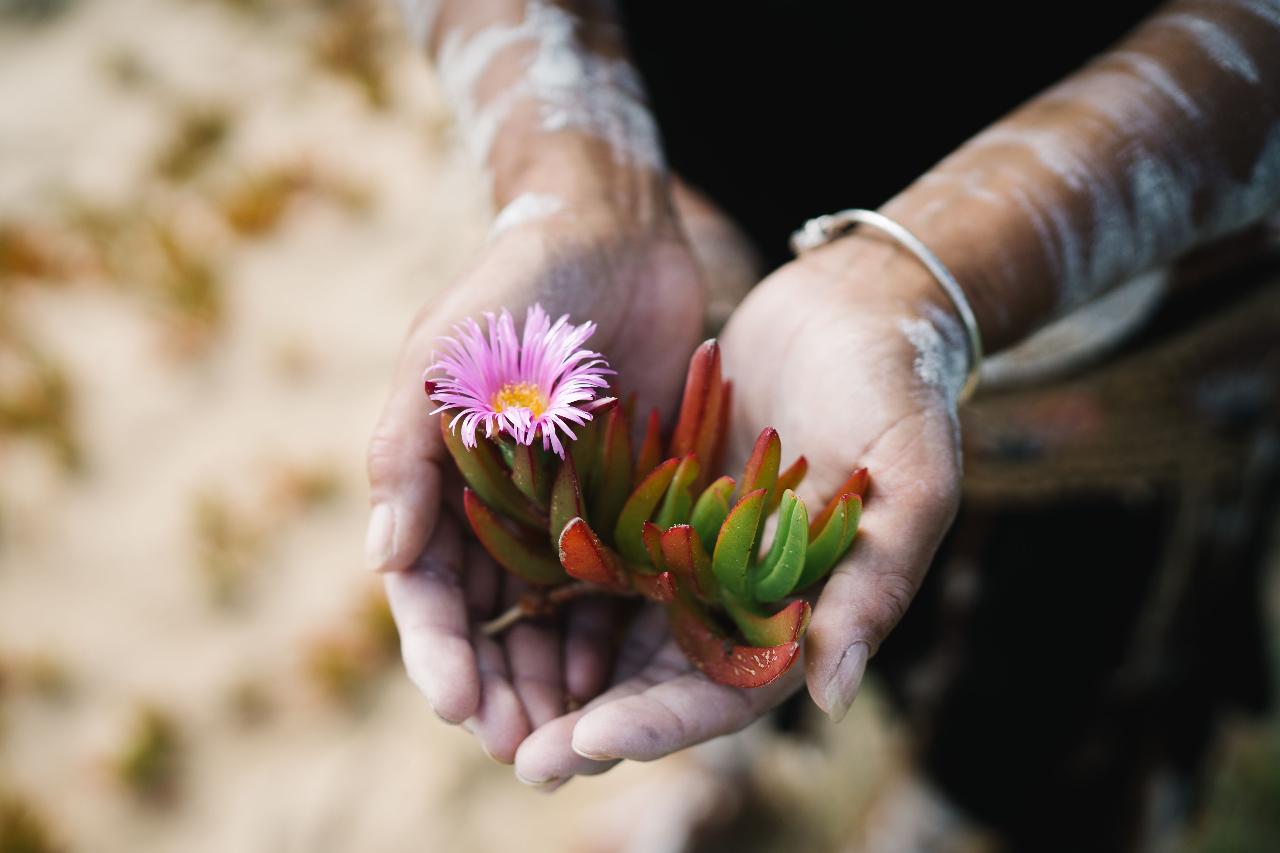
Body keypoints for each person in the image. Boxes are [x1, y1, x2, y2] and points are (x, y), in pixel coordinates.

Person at [367, 0, 1280, 844]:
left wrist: (916, 285)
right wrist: (577, 178)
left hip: (1131, 324)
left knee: (1052, 643)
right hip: (683, 203)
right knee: (744, 604)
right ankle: (729, 762)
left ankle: (941, 816)